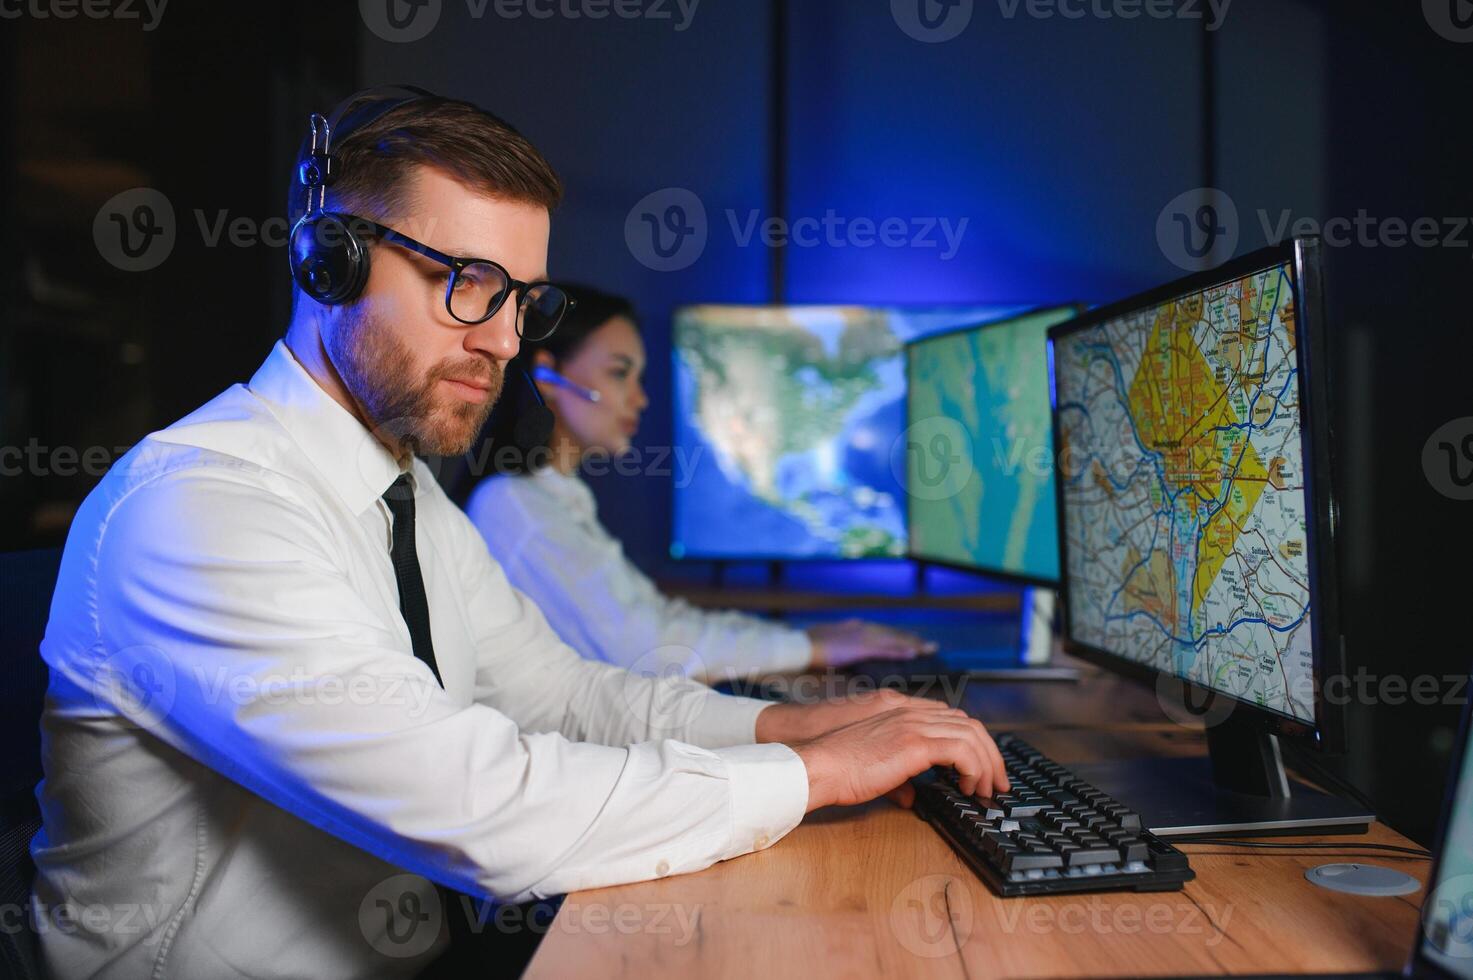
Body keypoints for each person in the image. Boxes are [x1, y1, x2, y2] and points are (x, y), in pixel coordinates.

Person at [29, 88, 1007, 980]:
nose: (504, 339)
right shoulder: (202, 509)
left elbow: (569, 695)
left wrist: (796, 725)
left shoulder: (408, 500)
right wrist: (817, 773)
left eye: (520, 299)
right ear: (331, 265)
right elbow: (480, 806)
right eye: (466, 282)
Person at [463, 286, 936, 685]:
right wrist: (807, 648)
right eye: (619, 372)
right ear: (547, 375)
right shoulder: (514, 507)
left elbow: (661, 622)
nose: (642, 398)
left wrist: (809, 642)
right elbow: (643, 648)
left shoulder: (554, 499)